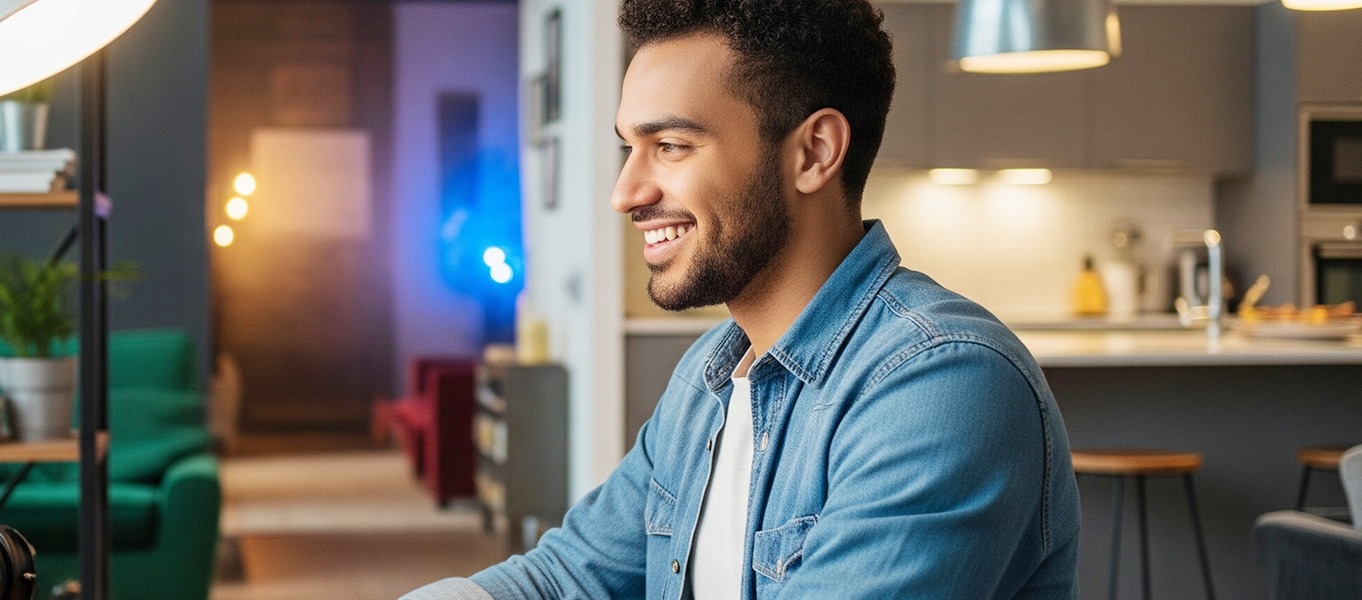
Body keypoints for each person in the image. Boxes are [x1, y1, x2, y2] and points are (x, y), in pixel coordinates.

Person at [405, 0, 1078, 598]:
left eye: (669, 145)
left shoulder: (942, 384)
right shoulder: (709, 379)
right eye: (628, 148)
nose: (626, 193)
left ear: (813, 153)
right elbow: (569, 576)